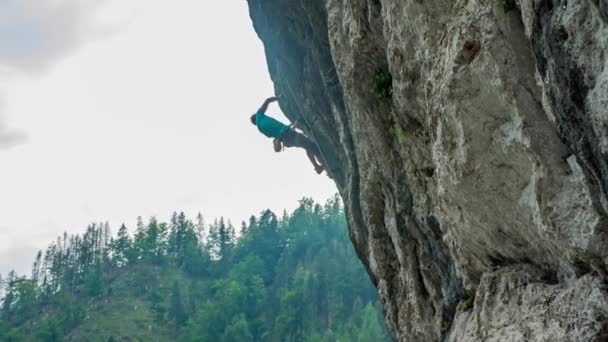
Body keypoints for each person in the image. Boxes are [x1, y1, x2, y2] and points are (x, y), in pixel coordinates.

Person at [250, 96, 326, 174]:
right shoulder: (259, 115)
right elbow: (267, 100)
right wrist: (279, 97)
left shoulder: (261, 129)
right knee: (310, 145)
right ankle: (321, 165)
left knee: (306, 145)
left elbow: (273, 136)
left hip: (286, 139)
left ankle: (317, 166)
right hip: (288, 133)